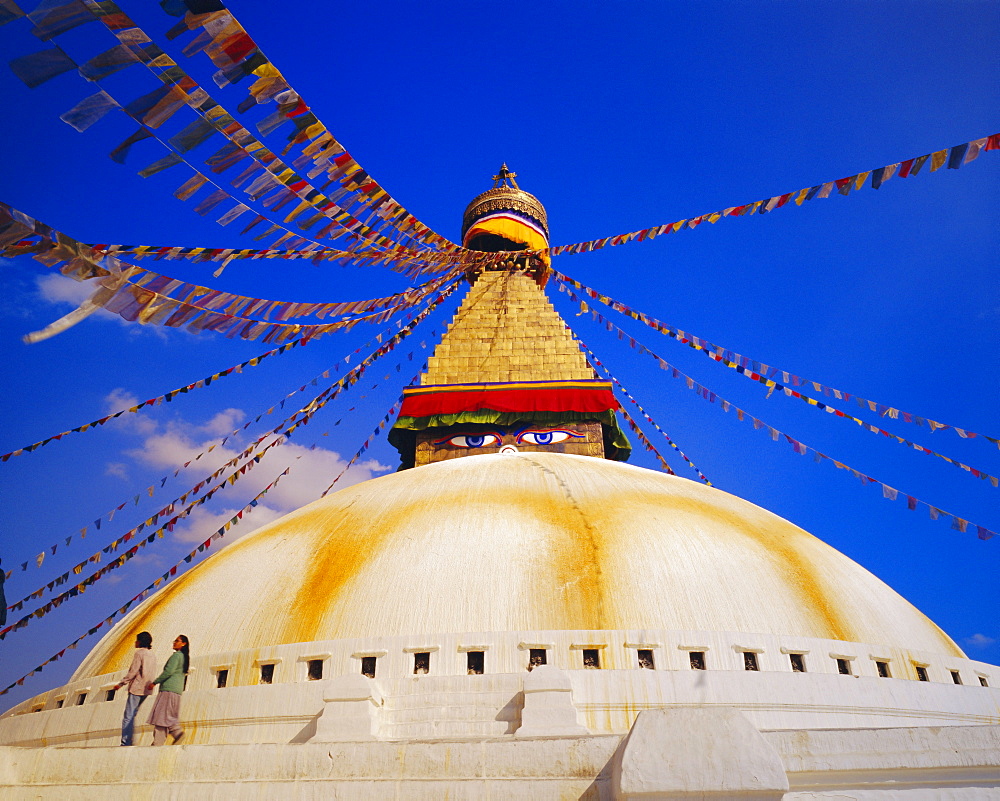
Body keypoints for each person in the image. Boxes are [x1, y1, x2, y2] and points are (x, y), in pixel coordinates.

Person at [114, 631, 155, 746]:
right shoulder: (152, 655)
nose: (135, 642)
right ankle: (129, 740)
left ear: (140, 641)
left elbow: (133, 671)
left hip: (137, 687)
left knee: (128, 716)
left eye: (137, 640)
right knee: (133, 714)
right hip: (147, 689)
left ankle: (126, 742)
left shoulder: (139, 653)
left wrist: (122, 683)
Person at [147, 634, 189, 746]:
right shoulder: (184, 658)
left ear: (183, 643)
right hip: (177, 691)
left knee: (161, 716)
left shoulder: (177, 656)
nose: (174, 642)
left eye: (177, 641)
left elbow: (169, 672)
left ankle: (161, 741)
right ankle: (175, 733)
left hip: (168, 689)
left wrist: (155, 682)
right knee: (168, 715)